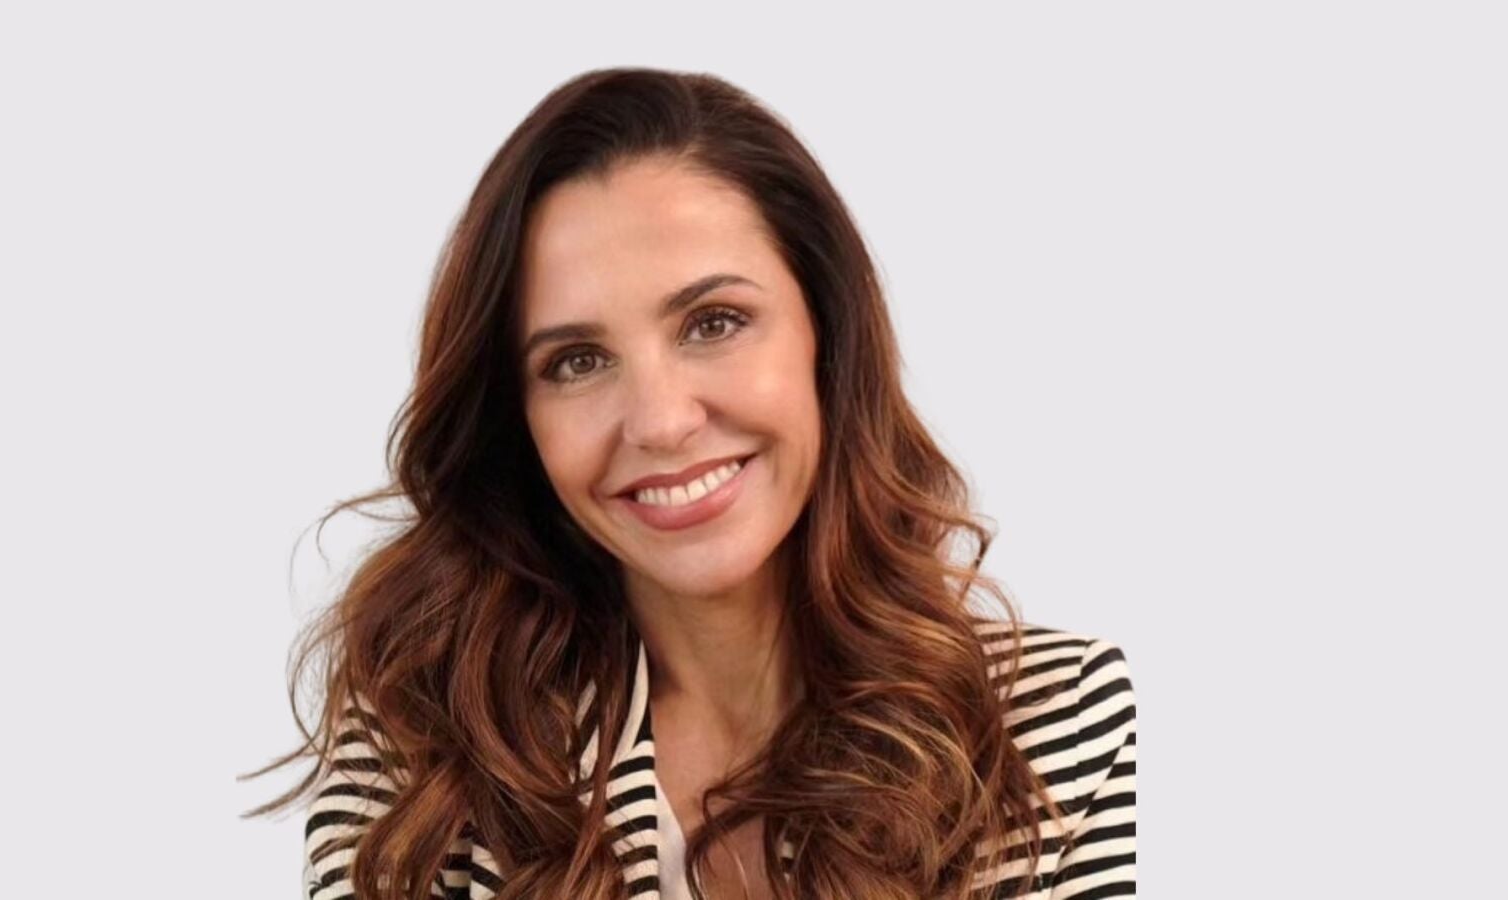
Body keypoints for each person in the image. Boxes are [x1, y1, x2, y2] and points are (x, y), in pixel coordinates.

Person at [242, 66, 1136, 900]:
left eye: (714, 322)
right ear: (518, 419)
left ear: (827, 334)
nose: (662, 421)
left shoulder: (1065, 729)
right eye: (577, 361)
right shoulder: (420, 757)